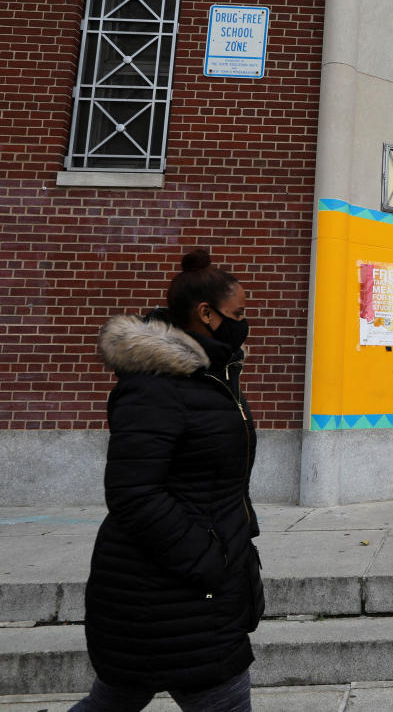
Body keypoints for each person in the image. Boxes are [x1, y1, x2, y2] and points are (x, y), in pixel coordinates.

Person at [72, 249, 262, 712]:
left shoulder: (211, 378)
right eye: (238, 314)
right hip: (168, 590)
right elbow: (133, 493)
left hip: (183, 589)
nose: (244, 323)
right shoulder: (156, 386)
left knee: (115, 700)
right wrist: (208, 557)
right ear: (206, 314)